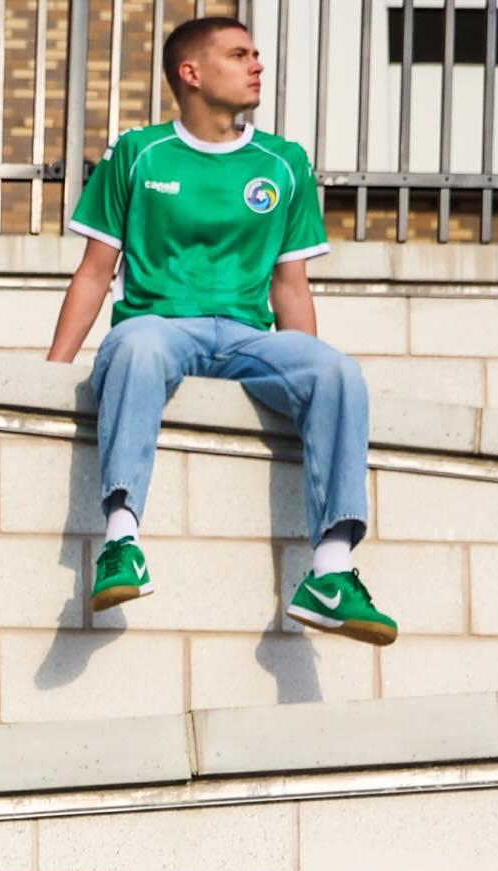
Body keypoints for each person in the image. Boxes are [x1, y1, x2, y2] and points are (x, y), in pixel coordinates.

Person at [48, 14, 398, 646]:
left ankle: (330, 571)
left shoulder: (284, 162)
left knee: (336, 370)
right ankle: (122, 540)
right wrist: (47, 375)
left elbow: (291, 288)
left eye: (256, 54)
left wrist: (309, 372)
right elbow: (96, 274)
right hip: (160, 326)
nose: (256, 65)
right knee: (134, 344)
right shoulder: (137, 153)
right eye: (240, 55)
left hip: (248, 337)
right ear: (192, 73)